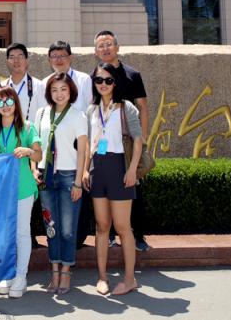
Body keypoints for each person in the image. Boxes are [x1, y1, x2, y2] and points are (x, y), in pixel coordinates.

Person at [83, 62, 143, 296]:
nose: (104, 84)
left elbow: (137, 140)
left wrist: (132, 169)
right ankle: (102, 277)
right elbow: (88, 143)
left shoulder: (126, 107)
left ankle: (129, 279)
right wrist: (85, 169)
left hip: (120, 167)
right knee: (102, 226)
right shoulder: (92, 110)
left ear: (116, 82)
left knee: (122, 227)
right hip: (98, 168)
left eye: (108, 80)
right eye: (99, 80)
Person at [0, 86, 42, 299]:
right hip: (1, 191)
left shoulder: (27, 127)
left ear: (16, 102)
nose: (5, 106)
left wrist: (28, 151)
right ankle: (9, 273)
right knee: (5, 233)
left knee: (22, 232)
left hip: (23, 188)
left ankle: (21, 276)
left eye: (9, 101)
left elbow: (39, 155)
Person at [93, 30, 151, 252]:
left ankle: (138, 235)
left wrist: (142, 137)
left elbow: (142, 106)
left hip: (127, 142)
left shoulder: (132, 74)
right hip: (105, 145)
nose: (105, 48)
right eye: (101, 45)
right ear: (96, 51)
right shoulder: (95, 75)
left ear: (117, 47)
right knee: (104, 190)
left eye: (109, 44)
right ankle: (108, 234)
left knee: (133, 187)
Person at [36, 73, 88, 294]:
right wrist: (34, 169)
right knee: (51, 228)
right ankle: (54, 271)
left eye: (63, 89)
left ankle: (66, 271)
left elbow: (83, 151)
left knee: (67, 230)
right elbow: (36, 145)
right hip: (45, 176)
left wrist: (78, 183)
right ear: (49, 92)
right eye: (55, 90)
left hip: (69, 176)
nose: (59, 94)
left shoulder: (78, 115)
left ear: (71, 91)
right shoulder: (41, 113)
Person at [43, 41, 93, 113]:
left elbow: (91, 108)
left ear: (70, 58)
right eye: (54, 56)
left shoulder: (84, 79)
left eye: (62, 55)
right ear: (49, 60)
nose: (58, 59)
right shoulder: (45, 82)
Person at [2, 43, 45, 124]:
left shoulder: (38, 85)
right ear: (7, 62)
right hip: (7, 131)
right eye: (12, 57)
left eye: (20, 56)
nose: (16, 60)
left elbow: (43, 114)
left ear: (26, 61)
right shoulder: (2, 86)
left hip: (30, 131)